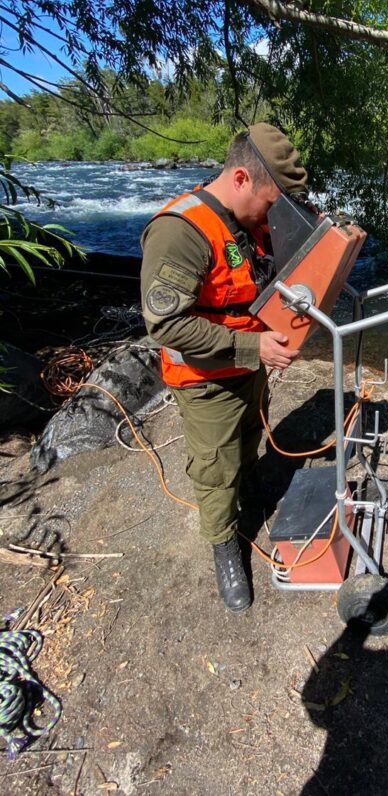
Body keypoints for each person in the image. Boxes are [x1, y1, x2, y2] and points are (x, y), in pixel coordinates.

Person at [140, 123, 305, 612]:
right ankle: (224, 544)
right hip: (206, 380)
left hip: (247, 368)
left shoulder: (245, 218)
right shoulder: (179, 232)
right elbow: (166, 326)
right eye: (270, 203)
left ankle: (250, 490)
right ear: (239, 179)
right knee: (216, 470)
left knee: (250, 437)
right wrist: (254, 350)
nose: (271, 217)